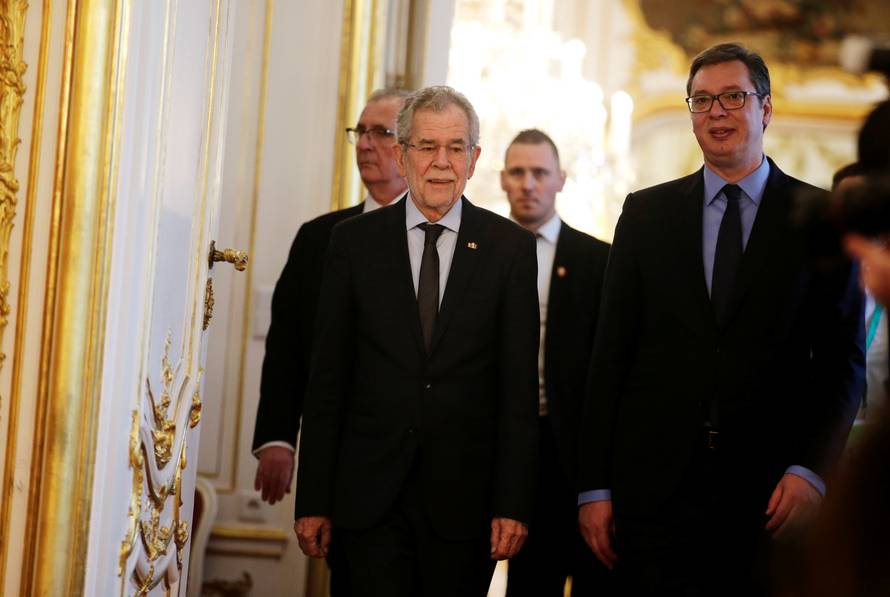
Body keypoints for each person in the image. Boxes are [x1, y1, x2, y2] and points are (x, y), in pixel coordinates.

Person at [577, 42, 865, 596]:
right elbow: (610, 354)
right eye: (701, 100)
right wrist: (594, 489)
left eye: (733, 97)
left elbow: (842, 365)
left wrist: (811, 470)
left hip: (769, 497)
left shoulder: (820, 218)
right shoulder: (646, 214)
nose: (716, 112)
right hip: (654, 496)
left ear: (766, 110)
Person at [293, 85, 540, 597]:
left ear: (474, 160)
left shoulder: (509, 249)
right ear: (402, 156)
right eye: (427, 146)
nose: (441, 163)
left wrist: (512, 503)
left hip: (464, 507)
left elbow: (517, 392)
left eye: (456, 148)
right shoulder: (353, 243)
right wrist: (313, 498)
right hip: (366, 500)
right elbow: (327, 378)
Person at [251, 87, 411, 505]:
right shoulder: (319, 238)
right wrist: (277, 437)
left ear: (410, 147)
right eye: (359, 132)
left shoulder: (446, 240)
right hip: (343, 453)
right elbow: (287, 345)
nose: (364, 144)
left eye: (380, 132)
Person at [498, 129, 613, 597]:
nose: (529, 184)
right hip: (499, 449)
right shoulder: (478, 251)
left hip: (573, 455)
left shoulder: (596, 260)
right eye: (518, 172)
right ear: (502, 179)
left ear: (560, 180)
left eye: (540, 172)